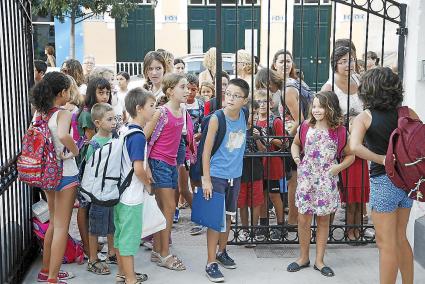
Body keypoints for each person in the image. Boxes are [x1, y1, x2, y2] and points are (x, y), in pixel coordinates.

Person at [350, 67, 418, 284]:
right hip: (408, 182)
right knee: (400, 239)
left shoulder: (365, 117)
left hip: (383, 181)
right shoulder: (408, 113)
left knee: (385, 244)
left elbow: (354, 147)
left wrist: (381, 159)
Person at [287, 91, 354, 277]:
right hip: (306, 179)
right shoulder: (306, 126)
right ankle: (303, 257)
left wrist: (338, 168)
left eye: (321, 106)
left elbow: (351, 155)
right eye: (314, 106)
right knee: (303, 219)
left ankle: (319, 260)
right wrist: (295, 157)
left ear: (330, 108)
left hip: (327, 180)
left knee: (323, 220)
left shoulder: (340, 131)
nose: (316, 110)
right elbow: (295, 144)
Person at [31, 72, 78, 283]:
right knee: (61, 226)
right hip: (65, 174)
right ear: (61, 93)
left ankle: (45, 270)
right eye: (68, 90)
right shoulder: (63, 113)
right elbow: (63, 135)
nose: (70, 94)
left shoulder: (39, 113)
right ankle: (52, 278)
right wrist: (75, 151)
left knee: (52, 223)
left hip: (46, 174)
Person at [202, 78, 249, 282]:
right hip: (216, 175)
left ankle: (222, 251)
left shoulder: (244, 115)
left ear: (244, 100)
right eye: (228, 93)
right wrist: (206, 179)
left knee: (229, 216)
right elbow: (205, 151)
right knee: (214, 220)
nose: (230, 98)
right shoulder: (216, 118)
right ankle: (211, 262)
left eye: (235, 95)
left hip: (234, 175)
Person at [322, 46, 370, 241]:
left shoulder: (359, 80)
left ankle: (358, 228)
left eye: (350, 60)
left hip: (362, 140)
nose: (348, 65)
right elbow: (323, 114)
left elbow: (369, 106)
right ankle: (334, 231)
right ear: (335, 64)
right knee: (342, 188)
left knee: (359, 186)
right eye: (342, 61)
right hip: (341, 143)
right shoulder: (329, 87)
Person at [144, 73, 188, 271]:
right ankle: (164, 254)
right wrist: (145, 167)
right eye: (182, 87)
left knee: (164, 210)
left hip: (171, 164)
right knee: (169, 208)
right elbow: (143, 136)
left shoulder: (183, 111)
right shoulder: (161, 112)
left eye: (187, 87)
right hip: (158, 163)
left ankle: (157, 250)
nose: (187, 90)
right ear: (170, 91)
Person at [114, 88, 156, 284]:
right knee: (129, 240)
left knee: (121, 235)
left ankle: (122, 273)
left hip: (119, 194)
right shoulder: (138, 136)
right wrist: (148, 185)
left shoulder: (124, 129)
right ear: (139, 109)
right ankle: (131, 279)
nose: (154, 110)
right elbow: (138, 168)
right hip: (131, 196)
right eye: (151, 106)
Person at [76, 77, 112, 256]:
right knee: (85, 205)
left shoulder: (103, 111)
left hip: (99, 166)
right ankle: (88, 245)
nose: (105, 96)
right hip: (88, 166)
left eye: (107, 92)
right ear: (92, 92)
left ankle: (92, 244)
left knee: (91, 206)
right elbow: (92, 142)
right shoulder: (87, 113)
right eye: (101, 92)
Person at [85, 103, 117, 275]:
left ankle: (111, 253)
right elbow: (90, 169)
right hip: (98, 193)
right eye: (110, 119)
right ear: (97, 123)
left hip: (112, 190)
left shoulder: (115, 138)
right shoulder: (94, 144)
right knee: (96, 227)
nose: (114, 122)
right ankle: (93, 259)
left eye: (115, 119)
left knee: (113, 224)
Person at [254, 89, 286, 241]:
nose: (261, 105)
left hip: (273, 163)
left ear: (271, 103)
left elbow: (283, 142)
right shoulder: (253, 121)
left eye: (265, 101)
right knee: (261, 196)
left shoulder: (276, 121)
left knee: (274, 195)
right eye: (258, 102)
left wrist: (268, 138)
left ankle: (281, 226)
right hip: (259, 164)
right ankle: (264, 226)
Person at [237, 100, 264, 245]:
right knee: (242, 202)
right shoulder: (238, 129)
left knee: (255, 201)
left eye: (256, 113)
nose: (254, 116)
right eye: (251, 113)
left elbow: (263, 151)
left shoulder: (257, 130)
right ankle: (245, 229)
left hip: (256, 170)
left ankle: (254, 229)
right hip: (241, 170)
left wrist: (257, 139)